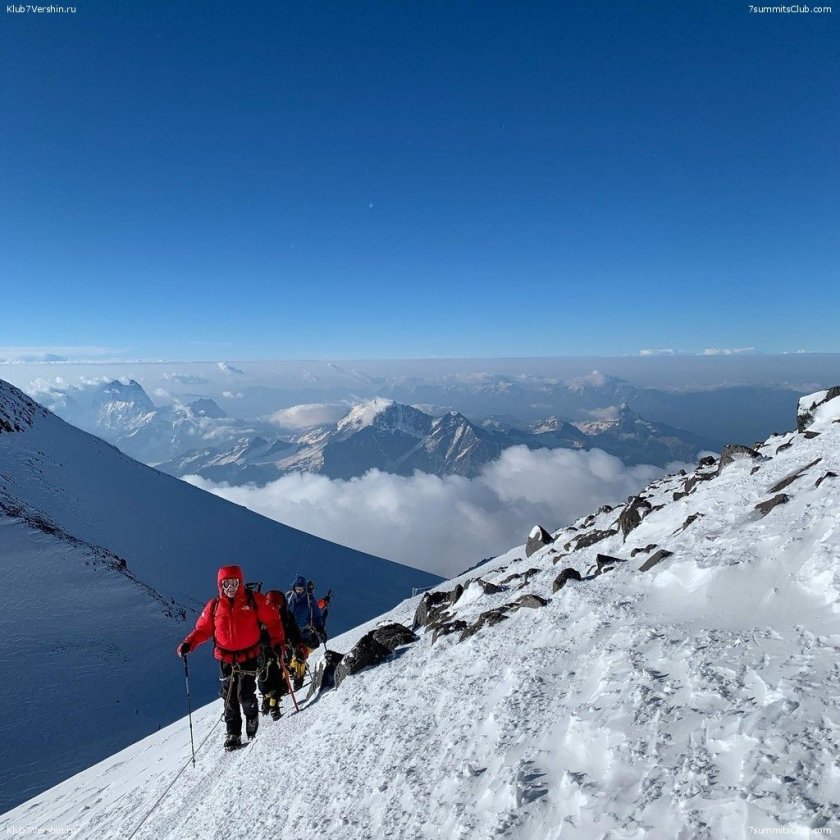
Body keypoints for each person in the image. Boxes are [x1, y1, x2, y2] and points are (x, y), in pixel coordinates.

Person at [177, 565, 284, 750]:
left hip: (249, 656)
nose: (231, 587)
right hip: (225, 660)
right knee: (229, 697)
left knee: (244, 694)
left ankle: (251, 717)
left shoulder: (254, 600)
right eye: (226, 584)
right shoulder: (214, 606)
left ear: (240, 582)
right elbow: (203, 630)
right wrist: (189, 643)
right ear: (220, 585)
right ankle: (233, 732)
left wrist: (277, 642)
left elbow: (273, 619)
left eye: (234, 583)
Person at [257, 589, 301, 720]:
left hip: (281, 650)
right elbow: (256, 634)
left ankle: (273, 705)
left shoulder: (286, 616)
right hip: (265, 652)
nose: (275, 608)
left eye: (277, 606)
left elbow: (294, 631)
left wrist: (298, 645)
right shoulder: (262, 617)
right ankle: (267, 699)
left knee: (279, 679)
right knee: (265, 677)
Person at [286, 574, 326, 690]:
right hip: (291, 634)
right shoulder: (289, 598)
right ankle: (291, 674)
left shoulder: (310, 600)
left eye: (301, 589)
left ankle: (299, 678)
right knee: (292, 656)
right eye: (297, 589)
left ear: (304, 588)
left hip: (305, 634)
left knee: (300, 655)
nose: (299, 591)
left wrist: (320, 627)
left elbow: (317, 616)